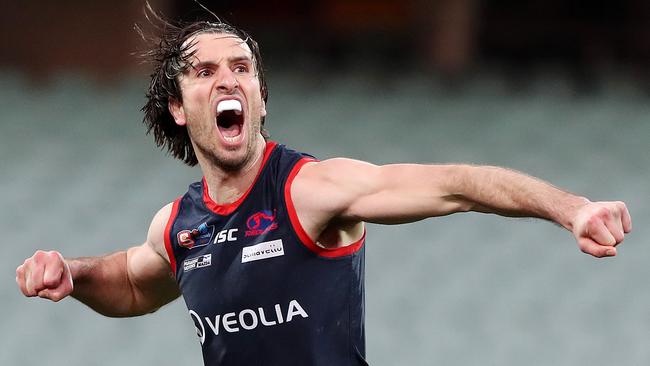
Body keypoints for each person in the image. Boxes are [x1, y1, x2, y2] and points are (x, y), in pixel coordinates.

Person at [16, 16, 631, 366]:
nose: (229, 79)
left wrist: (571, 208)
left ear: (258, 96)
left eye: (243, 68)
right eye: (205, 71)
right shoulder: (178, 225)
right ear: (178, 106)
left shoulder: (310, 190)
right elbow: (131, 282)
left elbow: (455, 187)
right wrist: (73, 273)